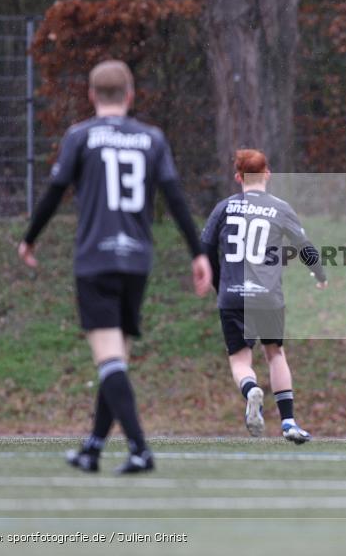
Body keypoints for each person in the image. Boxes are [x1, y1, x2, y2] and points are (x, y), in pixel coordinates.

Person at [18, 60, 212, 473]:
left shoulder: (80, 136)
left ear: (91, 95)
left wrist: (30, 237)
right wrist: (198, 252)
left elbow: (54, 191)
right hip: (136, 261)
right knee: (116, 359)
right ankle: (92, 448)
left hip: (96, 260)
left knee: (109, 361)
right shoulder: (152, 138)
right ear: (130, 95)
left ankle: (140, 448)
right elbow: (175, 197)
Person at [201, 149, 326, 443]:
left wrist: (220, 284)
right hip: (268, 297)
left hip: (233, 296)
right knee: (275, 354)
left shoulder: (223, 208)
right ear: (267, 173)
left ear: (238, 177)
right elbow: (304, 246)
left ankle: (250, 389)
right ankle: (289, 422)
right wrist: (319, 273)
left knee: (240, 361)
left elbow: (205, 250)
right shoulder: (280, 208)